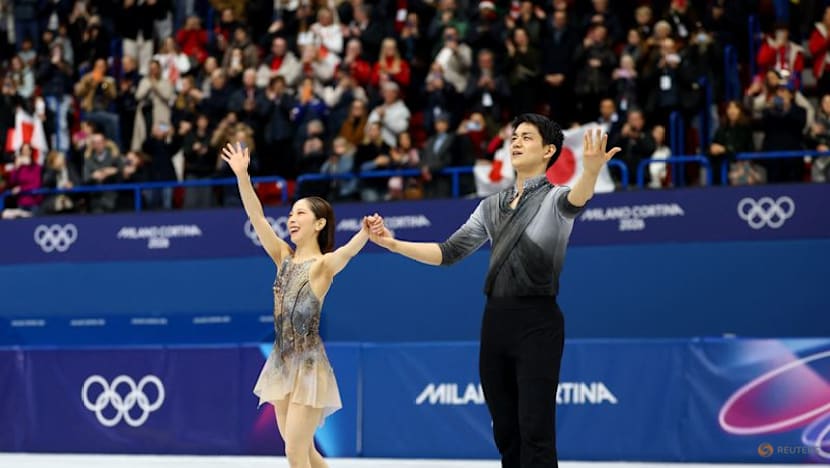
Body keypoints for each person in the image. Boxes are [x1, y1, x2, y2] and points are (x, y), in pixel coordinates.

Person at [367, 114, 620, 468]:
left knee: (535, 429)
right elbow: (448, 252)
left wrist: (590, 172)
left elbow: (578, 198)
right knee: (505, 432)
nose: (515, 142)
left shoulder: (555, 199)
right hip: (496, 323)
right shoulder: (490, 206)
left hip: (538, 322)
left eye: (526, 137)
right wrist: (393, 244)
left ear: (549, 151)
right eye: (514, 136)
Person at [221, 142, 371, 468]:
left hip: (308, 365)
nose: (292, 218)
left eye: (300, 213)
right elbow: (256, 216)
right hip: (281, 363)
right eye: (290, 213)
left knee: (294, 453)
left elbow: (346, 253)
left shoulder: (322, 266)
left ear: (319, 224)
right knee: (305, 451)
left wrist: (364, 234)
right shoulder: (282, 257)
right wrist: (243, 175)